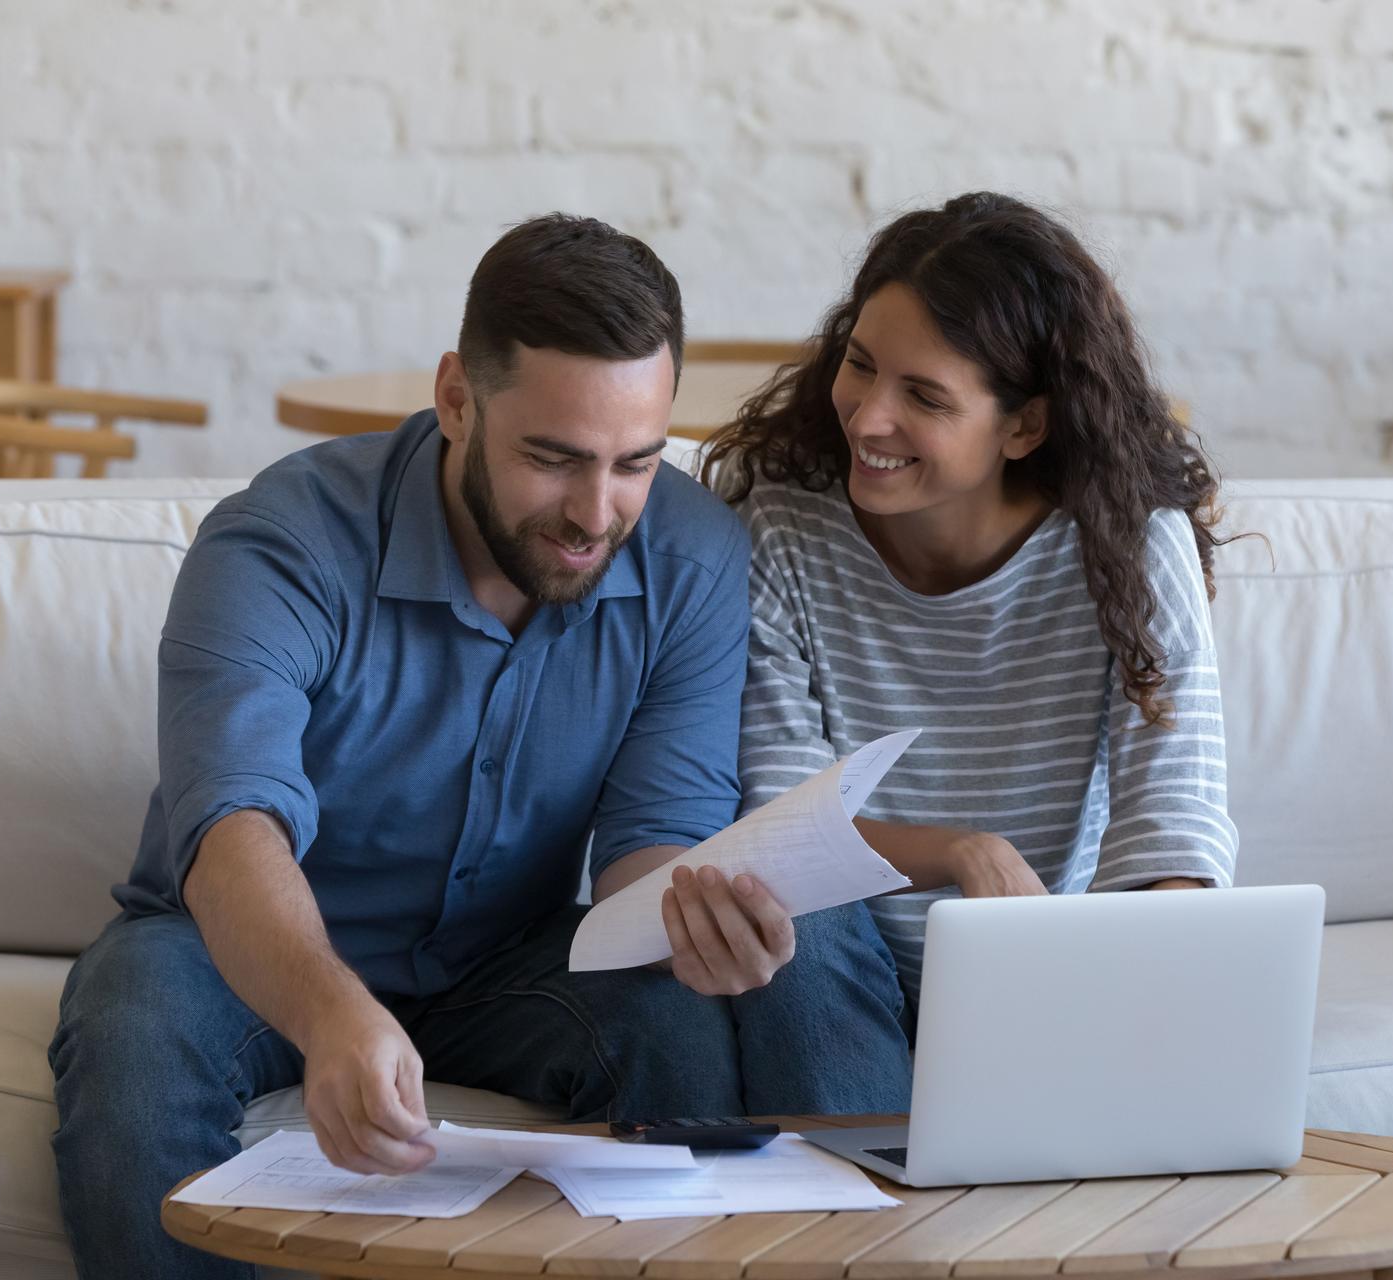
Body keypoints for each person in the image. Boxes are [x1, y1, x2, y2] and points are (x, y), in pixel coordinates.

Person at [48, 213, 911, 1280]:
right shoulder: (280, 541)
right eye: (552, 458)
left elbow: (652, 839)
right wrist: (330, 1014)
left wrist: (692, 916)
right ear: (457, 397)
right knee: (132, 1037)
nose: (597, 513)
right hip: (234, 949)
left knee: (678, 1022)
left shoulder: (692, 554)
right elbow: (233, 828)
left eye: (635, 461)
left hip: (510, 959)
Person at [702, 192, 1240, 1017]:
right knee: (791, 928)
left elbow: (1172, 826)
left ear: (1023, 426)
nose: (869, 416)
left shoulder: (1129, 545)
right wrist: (959, 853)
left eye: (925, 396)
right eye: (861, 363)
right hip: (830, 959)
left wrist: (1145, 1005)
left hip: (1026, 977)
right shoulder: (776, 516)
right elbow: (783, 825)